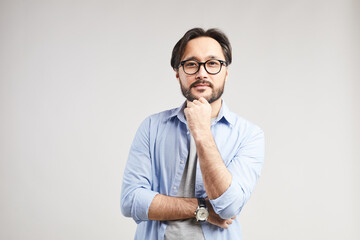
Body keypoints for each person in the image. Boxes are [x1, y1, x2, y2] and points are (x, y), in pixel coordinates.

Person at [121, 27, 265, 240]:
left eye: (213, 63)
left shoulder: (249, 135)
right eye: (191, 64)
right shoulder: (152, 127)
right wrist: (202, 208)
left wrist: (202, 132)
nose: (202, 73)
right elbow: (131, 201)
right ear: (178, 74)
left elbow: (228, 207)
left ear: (226, 72)